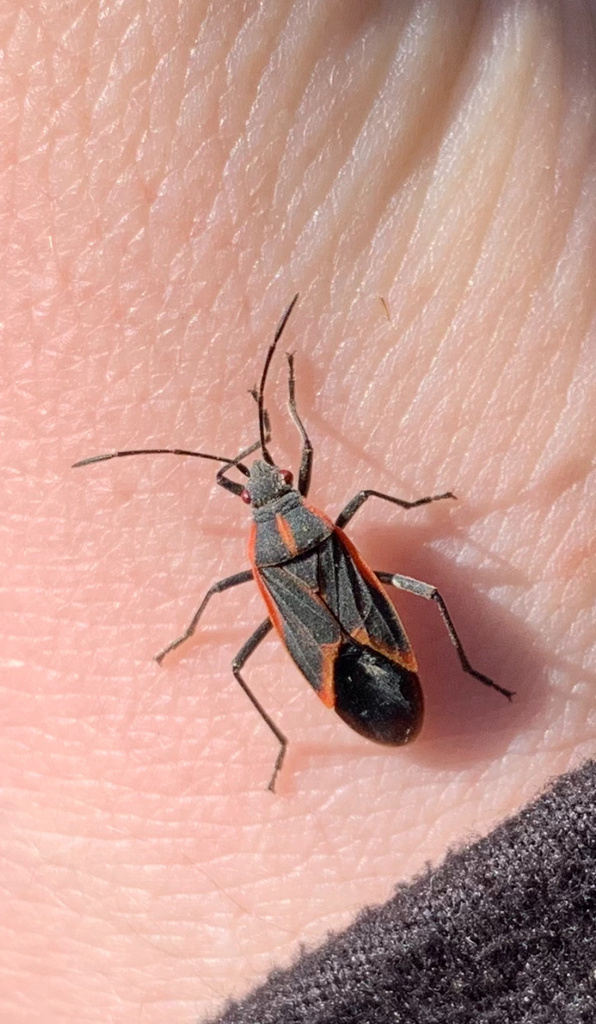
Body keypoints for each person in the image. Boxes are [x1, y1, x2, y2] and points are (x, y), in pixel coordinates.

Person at [3, 3, 594, 1021]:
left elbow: (321, 473)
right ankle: (400, 693)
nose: (272, 480)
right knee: (362, 606)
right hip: (356, 634)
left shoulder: (283, 550)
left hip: (340, 662)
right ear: (277, 506)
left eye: (272, 474)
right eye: (266, 481)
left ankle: (341, 719)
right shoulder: (305, 533)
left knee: (247, 650)